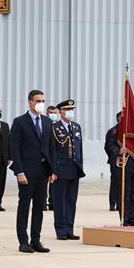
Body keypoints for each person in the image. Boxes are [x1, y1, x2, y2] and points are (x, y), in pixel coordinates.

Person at [10, 90, 56, 253]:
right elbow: (14, 149)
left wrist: (53, 171)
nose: (41, 103)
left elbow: (51, 148)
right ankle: (23, 241)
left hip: (43, 172)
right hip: (27, 172)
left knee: (39, 207)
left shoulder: (47, 122)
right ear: (30, 102)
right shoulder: (19, 122)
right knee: (24, 206)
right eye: (38, 100)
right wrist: (19, 172)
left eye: (43, 100)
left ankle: (36, 240)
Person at [51, 99, 85, 240]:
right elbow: (52, 151)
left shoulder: (76, 127)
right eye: (67, 110)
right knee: (60, 201)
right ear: (60, 112)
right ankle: (60, 230)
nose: (70, 112)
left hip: (74, 169)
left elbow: (79, 149)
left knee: (71, 200)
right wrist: (52, 170)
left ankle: (69, 229)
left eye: (72, 110)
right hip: (60, 169)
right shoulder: (54, 128)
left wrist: (80, 165)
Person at [104, 111, 122, 211]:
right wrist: (117, 153)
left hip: (128, 161)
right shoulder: (113, 131)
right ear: (119, 118)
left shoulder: (130, 130)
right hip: (116, 160)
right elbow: (108, 146)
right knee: (115, 182)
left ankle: (121, 204)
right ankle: (112, 203)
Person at [44, 105, 59, 211]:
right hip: (46, 157)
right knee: (43, 182)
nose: (53, 114)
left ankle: (53, 202)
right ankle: (43, 202)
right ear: (47, 113)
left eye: (54, 113)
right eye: (51, 112)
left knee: (54, 181)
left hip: (57, 158)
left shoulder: (59, 126)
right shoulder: (44, 125)